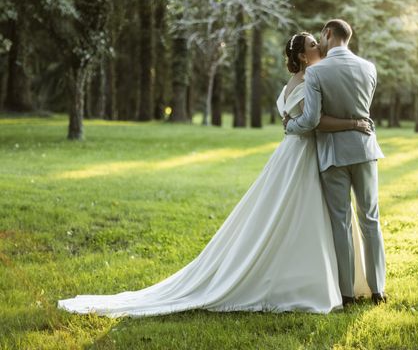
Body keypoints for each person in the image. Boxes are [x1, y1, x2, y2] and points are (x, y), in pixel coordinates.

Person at [58, 32, 371, 317]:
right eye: (314, 45)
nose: (320, 46)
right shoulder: (310, 79)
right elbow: (312, 121)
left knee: (296, 216)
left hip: (293, 154)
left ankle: (324, 279)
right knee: (303, 216)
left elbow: (296, 117)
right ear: (303, 56)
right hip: (302, 155)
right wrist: (353, 123)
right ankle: (306, 283)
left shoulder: (295, 83)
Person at [285, 19, 387, 306]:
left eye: (321, 36)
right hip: (366, 150)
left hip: (333, 155)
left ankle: (346, 293)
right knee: (370, 219)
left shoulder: (317, 73)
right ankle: (378, 289)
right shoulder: (369, 68)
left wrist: (289, 125)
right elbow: (362, 111)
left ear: (328, 34)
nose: (320, 41)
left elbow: (311, 120)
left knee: (341, 223)